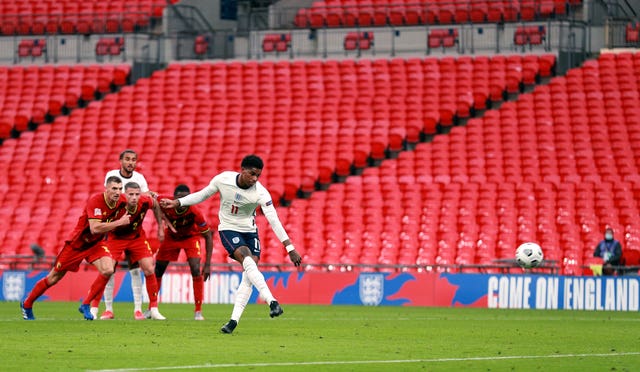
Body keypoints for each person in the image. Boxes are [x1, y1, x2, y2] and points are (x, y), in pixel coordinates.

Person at [159, 154, 302, 334]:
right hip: (228, 229)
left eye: (258, 175)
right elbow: (201, 195)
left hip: (250, 231)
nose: (255, 179)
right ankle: (272, 301)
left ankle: (233, 322)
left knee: (249, 274)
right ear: (242, 170)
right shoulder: (223, 179)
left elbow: (274, 221)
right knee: (248, 261)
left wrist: (290, 247)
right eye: (252, 174)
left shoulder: (261, 193)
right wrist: (177, 202)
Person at [20, 176, 131, 320]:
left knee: (108, 269)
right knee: (54, 277)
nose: (118, 192)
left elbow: (134, 205)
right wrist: (119, 222)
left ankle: (85, 304)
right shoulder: (96, 201)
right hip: (77, 244)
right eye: (114, 188)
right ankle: (27, 303)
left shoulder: (122, 202)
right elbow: (95, 228)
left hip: (95, 244)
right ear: (106, 188)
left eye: (120, 188)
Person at [86, 181, 166, 320]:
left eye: (137, 194)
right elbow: (100, 221)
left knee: (149, 268)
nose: (134, 197)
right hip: (115, 238)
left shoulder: (145, 201)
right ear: (124, 194)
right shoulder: (117, 204)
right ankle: (99, 308)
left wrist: (160, 226)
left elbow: (156, 204)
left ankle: (152, 308)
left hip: (137, 238)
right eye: (130, 194)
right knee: (107, 270)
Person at [99, 149, 157, 320]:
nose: (131, 162)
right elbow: (108, 198)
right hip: (116, 229)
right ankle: (108, 309)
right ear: (121, 161)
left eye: (133, 160)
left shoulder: (139, 178)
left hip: (134, 231)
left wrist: (151, 195)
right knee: (110, 269)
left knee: (137, 269)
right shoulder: (111, 175)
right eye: (127, 159)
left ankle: (138, 310)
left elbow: (146, 198)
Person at [154, 184, 214, 320]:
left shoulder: (195, 211)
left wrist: (208, 264)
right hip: (171, 237)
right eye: (180, 199)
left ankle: (198, 311)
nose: (182, 202)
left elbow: (208, 236)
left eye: (186, 199)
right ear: (174, 198)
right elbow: (152, 201)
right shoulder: (164, 201)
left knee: (195, 268)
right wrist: (159, 224)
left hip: (190, 238)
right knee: (158, 270)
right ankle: (152, 308)